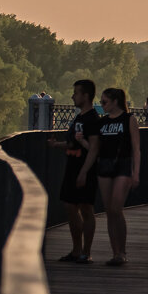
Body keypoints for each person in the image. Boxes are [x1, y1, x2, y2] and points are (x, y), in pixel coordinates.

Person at [47, 79, 101, 263]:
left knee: (86, 208)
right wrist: (57, 145)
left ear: (86, 96)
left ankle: (86, 252)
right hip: (72, 166)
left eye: (76, 93)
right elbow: (72, 142)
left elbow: (94, 148)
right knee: (70, 207)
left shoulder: (93, 119)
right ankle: (76, 250)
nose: (73, 96)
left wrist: (84, 172)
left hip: (84, 168)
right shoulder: (79, 118)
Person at [96, 88, 140, 266]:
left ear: (115, 101)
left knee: (116, 208)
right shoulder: (102, 122)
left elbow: (136, 148)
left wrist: (135, 172)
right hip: (105, 165)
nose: (102, 105)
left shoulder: (129, 119)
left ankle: (122, 251)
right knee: (109, 212)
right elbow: (96, 147)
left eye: (104, 102)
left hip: (123, 164)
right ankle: (115, 252)